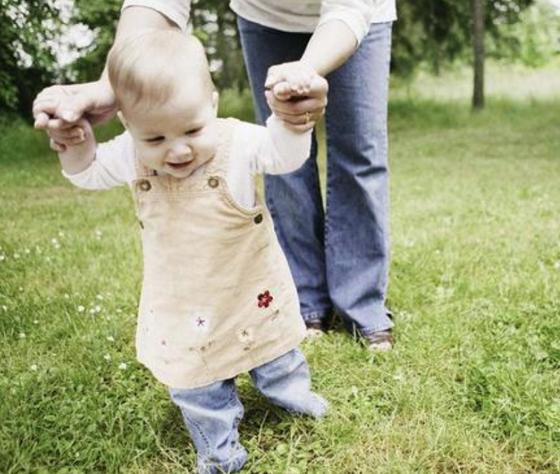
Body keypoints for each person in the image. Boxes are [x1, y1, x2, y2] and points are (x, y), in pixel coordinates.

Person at [33, 0, 396, 351]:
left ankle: (361, 305)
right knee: (283, 160)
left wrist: (304, 72)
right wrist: (108, 87)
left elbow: (349, 8)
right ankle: (305, 302)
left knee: (359, 150)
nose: (177, 149)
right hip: (265, 14)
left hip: (356, 13)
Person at [48, 29, 328, 473]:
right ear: (127, 123)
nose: (177, 149)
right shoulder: (131, 155)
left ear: (212, 106)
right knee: (196, 383)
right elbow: (89, 174)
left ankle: (295, 399)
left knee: (276, 352)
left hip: (249, 287)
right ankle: (219, 451)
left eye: (193, 130)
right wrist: (78, 148)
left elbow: (284, 157)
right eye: (154, 139)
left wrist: (291, 125)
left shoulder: (235, 142)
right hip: (182, 301)